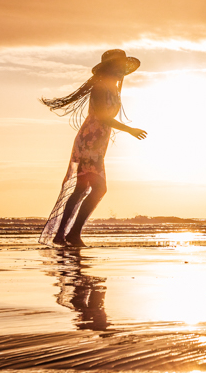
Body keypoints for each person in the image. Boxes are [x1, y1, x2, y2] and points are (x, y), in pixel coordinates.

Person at [40, 49, 147, 246]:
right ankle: (70, 234)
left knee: (82, 189)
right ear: (109, 68)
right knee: (98, 188)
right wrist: (129, 129)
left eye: (123, 67)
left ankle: (64, 235)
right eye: (118, 67)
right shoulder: (100, 88)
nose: (121, 70)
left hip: (97, 142)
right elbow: (103, 117)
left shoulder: (113, 88)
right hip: (90, 142)